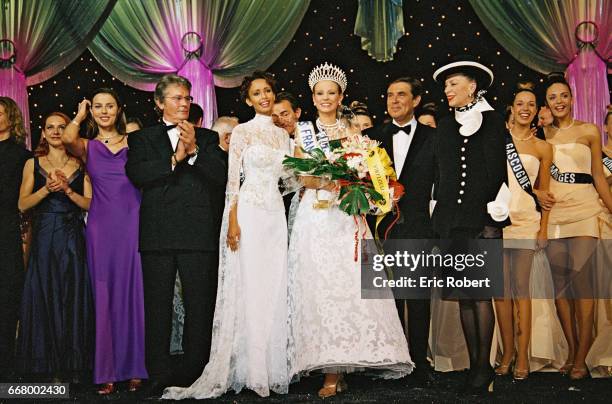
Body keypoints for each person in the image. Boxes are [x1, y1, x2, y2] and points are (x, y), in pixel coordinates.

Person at [162, 71, 291, 399]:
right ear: (248, 100)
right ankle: (248, 368)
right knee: (248, 284)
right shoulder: (244, 132)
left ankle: (272, 366)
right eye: (257, 93)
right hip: (247, 211)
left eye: (268, 91)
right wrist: (233, 221)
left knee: (273, 285)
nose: (264, 97)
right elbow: (233, 181)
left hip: (274, 214)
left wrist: (320, 167)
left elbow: (291, 180)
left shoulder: (284, 136)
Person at [287, 63, 413, 399]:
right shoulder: (304, 132)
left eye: (332, 93)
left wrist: (359, 180)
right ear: (312, 98)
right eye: (320, 93)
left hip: (345, 216)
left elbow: (369, 174)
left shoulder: (353, 132)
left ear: (341, 96)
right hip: (315, 218)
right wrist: (327, 178)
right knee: (319, 288)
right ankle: (327, 365)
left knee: (347, 287)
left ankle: (341, 366)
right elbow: (303, 177)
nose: (326, 98)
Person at [125, 74, 226, 397]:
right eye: (176, 98)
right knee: (157, 306)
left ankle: (195, 369)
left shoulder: (208, 138)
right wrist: (175, 160)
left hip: (198, 233)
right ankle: (159, 372)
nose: (184, 103)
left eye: (186, 98)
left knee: (199, 305)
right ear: (159, 103)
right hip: (157, 234)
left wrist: (195, 150)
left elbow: (222, 176)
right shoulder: (142, 139)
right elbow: (138, 174)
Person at [431, 55, 510, 393]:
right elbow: (442, 173)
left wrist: (492, 216)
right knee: (463, 295)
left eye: (452, 84)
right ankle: (474, 365)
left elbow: (496, 172)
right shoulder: (445, 124)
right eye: (446, 85)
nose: (447, 90)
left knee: (481, 296)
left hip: (481, 219)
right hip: (452, 221)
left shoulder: (493, 122)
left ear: (471, 86)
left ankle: (484, 368)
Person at [62, 88, 147, 394]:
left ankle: (136, 367)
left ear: (119, 109)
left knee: (133, 293)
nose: (104, 111)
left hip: (133, 224)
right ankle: (107, 370)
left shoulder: (135, 142)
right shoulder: (87, 146)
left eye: (109, 106)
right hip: (101, 227)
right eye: (98, 106)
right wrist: (79, 113)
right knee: (105, 296)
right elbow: (68, 138)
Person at [364, 76, 436, 384]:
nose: (394, 100)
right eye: (390, 95)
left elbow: (441, 186)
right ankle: (390, 359)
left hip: (419, 226)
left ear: (416, 100)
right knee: (385, 298)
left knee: (418, 298)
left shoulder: (434, 137)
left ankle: (419, 360)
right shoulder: (371, 137)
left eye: (401, 95)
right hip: (381, 228)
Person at [543, 76, 612, 380]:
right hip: (556, 214)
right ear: (547, 103)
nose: (559, 101)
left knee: (582, 284)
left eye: (563, 96)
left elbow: (598, 175)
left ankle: (582, 357)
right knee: (561, 288)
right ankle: (572, 350)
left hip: (585, 210)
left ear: (572, 98)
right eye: (553, 97)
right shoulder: (542, 136)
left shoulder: (589, 131)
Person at [16, 112, 93, 382]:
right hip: (45, 235)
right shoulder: (32, 163)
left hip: (73, 236)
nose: (56, 131)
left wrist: (69, 192)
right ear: (44, 133)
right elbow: (22, 204)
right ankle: (47, 366)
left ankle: (73, 365)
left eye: (62, 127)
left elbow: (91, 204)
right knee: (45, 294)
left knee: (72, 296)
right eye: (50, 127)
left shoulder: (82, 162)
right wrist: (48, 189)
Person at [493, 87, 553, 380]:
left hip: (527, 221)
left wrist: (543, 229)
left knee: (521, 291)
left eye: (531, 104)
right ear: (512, 108)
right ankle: (506, 353)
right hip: (497, 221)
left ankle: (523, 355)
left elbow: (545, 194)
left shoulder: (542, 147)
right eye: (520, 104)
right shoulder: (496, 140)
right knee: (500, 294)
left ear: (537, 110)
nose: (525, 109)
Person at [0, 97, 32, 381]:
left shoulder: (22, 157)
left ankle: (6, 366)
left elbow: (22, 200)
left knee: (7, 297)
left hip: (7, 227)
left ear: (11, 117)